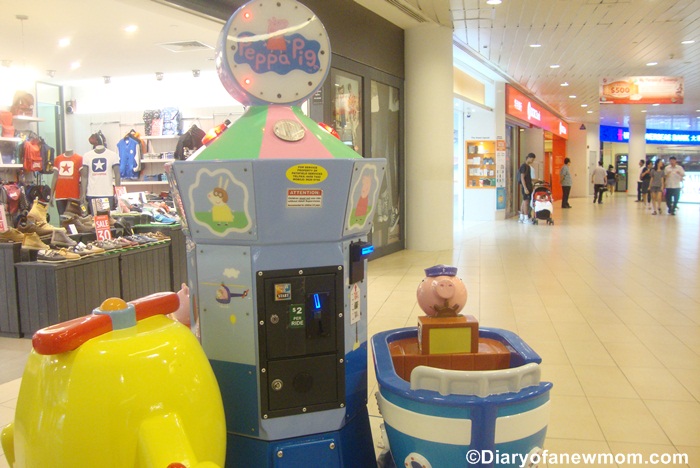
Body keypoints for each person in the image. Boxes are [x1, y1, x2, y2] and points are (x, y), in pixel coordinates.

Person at [518, 153, 536, 223]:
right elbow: (522, 177)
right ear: (528, 157)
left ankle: (522, 216)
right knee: (526, 202)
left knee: (524, 201)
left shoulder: (528, 166)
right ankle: (526, 218)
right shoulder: (524, 166)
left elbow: (528, 178)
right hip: (526, 187)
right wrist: (525, 188)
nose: (532, 161)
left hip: (528, 186)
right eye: (532, 159)